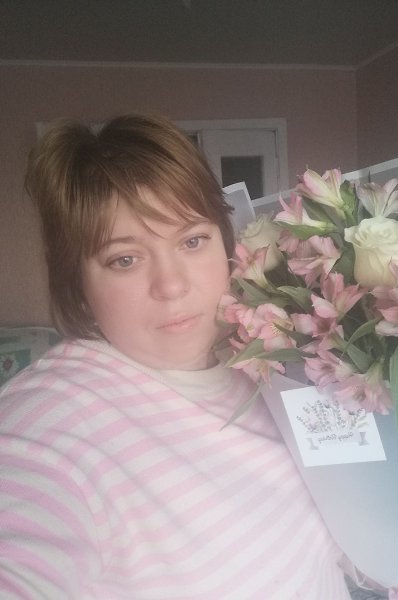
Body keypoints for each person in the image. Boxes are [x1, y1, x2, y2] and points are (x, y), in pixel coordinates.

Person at [0, 114, 352, 599]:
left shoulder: (257, 358)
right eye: (125, 259)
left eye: (192, 241)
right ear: (78, 286)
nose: (171, 286)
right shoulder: (53, 424)